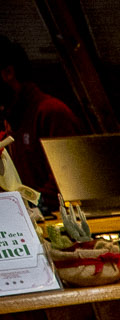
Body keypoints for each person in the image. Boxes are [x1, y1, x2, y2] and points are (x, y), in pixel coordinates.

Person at [0, 35, 83, 202]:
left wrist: (25, 207)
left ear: (8, 72)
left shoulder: (51, 113)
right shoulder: (11, 120)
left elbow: (67, 183)